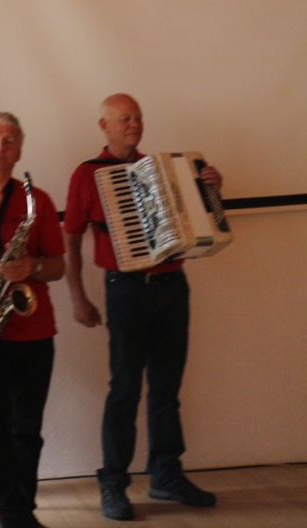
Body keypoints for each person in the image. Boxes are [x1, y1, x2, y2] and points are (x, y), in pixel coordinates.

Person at [63, 93, 221, 521]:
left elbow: (197, 221)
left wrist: (209, 189)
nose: (134, 124)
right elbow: (71, 240)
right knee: (126, 388)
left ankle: (166, 475)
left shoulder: (164, 169)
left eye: (138, 118)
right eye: (125, 118)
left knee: (167, 389)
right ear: (105, 125)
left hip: (172, 286)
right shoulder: (87, 174)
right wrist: (78, 296)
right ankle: (113, 483)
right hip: (126, 290)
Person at [0, 112, 65, 528]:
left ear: (19, 151)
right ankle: (6, 510)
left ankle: (21, 511)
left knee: (27, 427)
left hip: (33, 329)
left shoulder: (38, 200)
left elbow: (57, 266)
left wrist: (33, 266)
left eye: (8, 141)